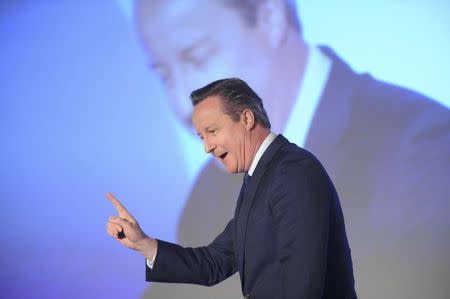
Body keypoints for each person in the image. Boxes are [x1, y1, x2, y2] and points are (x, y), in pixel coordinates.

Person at [133, 1, 450, 298]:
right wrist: (148, 247)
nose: (179, 104)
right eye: (163, 74)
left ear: (271, 17)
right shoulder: (208, 191)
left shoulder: (423, 146)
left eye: (197, 58)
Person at [106, 78, 357, 298]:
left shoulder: (293, 170)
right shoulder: (260, 177)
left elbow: (303, 280)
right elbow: (214, 262)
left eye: (212, 131)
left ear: (246, 118)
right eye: (202, 137)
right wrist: (143, 244)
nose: (207, 146)